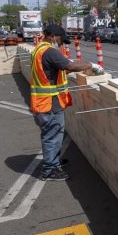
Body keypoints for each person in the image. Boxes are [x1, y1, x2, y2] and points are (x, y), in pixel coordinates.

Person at [30, 24, 104, 181]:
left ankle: (54, 161)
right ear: (53, 36)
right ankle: (49, 170)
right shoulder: (49, 51)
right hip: (49, 103)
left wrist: (73, 68)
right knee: (52, 136)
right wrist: (91, 65)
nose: (61, 43)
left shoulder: (39, 49)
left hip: (43, 102)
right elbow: (69, 65)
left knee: (53, 134)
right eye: (60, 40)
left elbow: (53, 70)